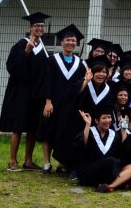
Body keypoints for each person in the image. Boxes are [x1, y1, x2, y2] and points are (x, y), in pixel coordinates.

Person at [0, 12, 50, 172]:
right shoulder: (21, 44)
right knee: (18, 126)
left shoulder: (43, 48)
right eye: (36, 26)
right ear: (30, 27)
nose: (39, 28)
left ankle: (28, 160)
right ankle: (12, 160)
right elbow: (12, 67)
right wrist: (26, 52)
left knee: (33, 127)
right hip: (21, 92)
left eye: (42, 26)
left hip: (37, 94)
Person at [40, 24, 88, 174]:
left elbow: (80, 86)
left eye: (73, 41)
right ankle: (47, 162)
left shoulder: (80, 64)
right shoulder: (52, 60)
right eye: (67, 40)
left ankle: (62, 163)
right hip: (53, 103)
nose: (70, 43)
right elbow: (47, 81)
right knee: (48, 131)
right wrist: (48, 101)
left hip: (69, 106)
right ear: (61, 42)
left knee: (65, 133)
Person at [76, 108, 131, 192]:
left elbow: (124, 149)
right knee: (111, 161)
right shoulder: (90, 131)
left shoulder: (114, 135)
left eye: (109, 117)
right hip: (89, 173)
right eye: (104, 118)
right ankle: (122, 183)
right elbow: (83, 144)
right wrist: (87, 124)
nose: (108, 120)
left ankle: (109, 187)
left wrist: (123, 129)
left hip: (108, 173)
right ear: (97, 121)